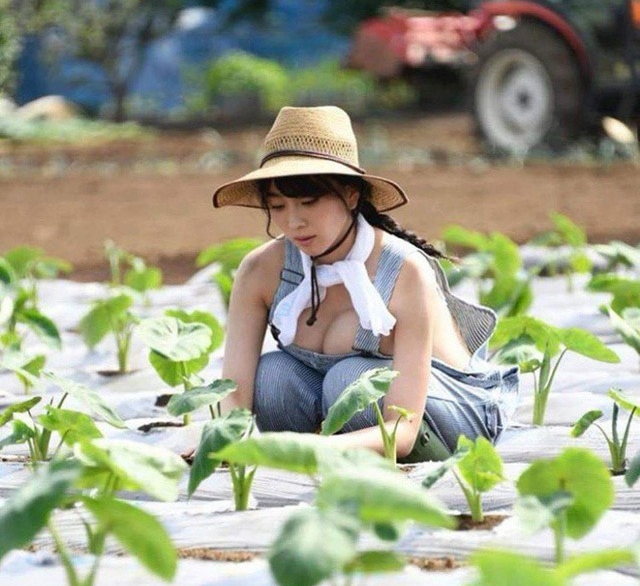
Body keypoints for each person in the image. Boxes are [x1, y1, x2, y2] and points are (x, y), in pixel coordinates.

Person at [211, 105, 519, 461]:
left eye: (308, 202)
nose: (293, 222)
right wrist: (221, 444)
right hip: (343, 414)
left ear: (352, 195)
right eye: (278, 207)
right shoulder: (260, 271)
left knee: (350, 379)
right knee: (273, 377)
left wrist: (310, 448)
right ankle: (311, 472)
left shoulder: (404, 271)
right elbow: (233, 393)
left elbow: (403, 429)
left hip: (446, 413)